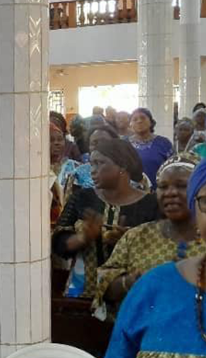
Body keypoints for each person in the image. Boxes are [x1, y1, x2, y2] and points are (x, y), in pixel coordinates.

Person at [103, 159, 206, 357]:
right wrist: (129, 282)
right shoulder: (152, 282)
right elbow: (103, 282)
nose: (171, 193)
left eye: (181, 186)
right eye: (163, 187)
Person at [52, 139, 160, 299]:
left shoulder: (151, 204)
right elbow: (59, 244)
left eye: (99, 163)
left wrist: (127, 242)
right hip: (84, 296)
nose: (92, 170)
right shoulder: (82, 198)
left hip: (132, 299)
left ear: (122, 165)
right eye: (91, 164)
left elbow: (160, 250)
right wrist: (82, 238)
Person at [128, 108, 173, 189]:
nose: (139, 121)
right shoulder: (124, 144)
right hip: (130, 192)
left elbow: (172, 168)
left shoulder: (164, 143)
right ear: (130, 125)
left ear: (151, 122)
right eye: (135, 119)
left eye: (143, 118)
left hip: (159, 190)